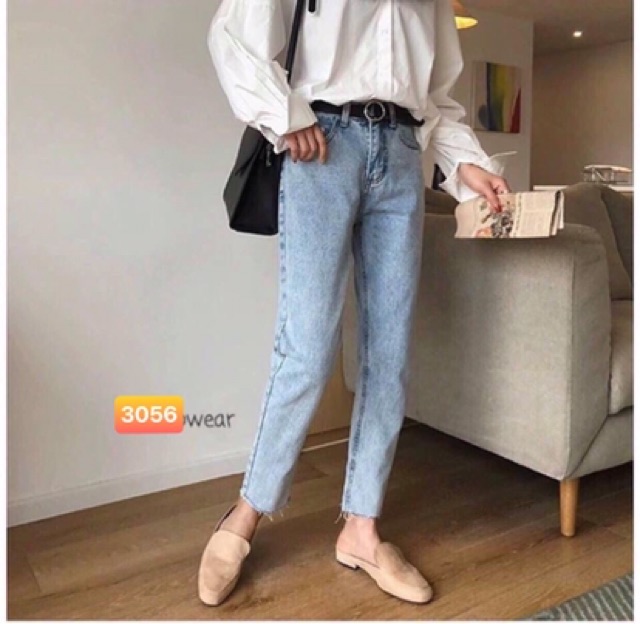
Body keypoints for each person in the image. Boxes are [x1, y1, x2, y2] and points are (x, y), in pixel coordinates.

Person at [199, 0, 513, 607]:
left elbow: (437, 94)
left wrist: (468, 164)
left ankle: (362, 530)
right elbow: (234, 33)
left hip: (402, 152)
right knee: (307, 347)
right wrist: (283, 114)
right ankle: (245, 512)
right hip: (322, 145)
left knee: (389, 355)